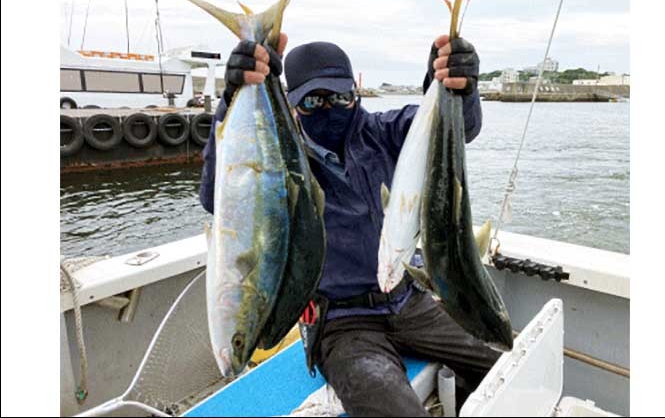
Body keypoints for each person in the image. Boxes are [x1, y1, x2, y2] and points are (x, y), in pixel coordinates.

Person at [199, 32, 500, 417]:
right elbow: (216, 198)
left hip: (410, 301)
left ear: (355, 91)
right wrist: (232, 100)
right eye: (313, 100)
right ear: (292, 104)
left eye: (341, 97)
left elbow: (459, 129)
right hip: (343, 324)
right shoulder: (281, 163)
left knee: (499, 365)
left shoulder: (386, 132)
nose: (331, 108)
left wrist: (455, 87)